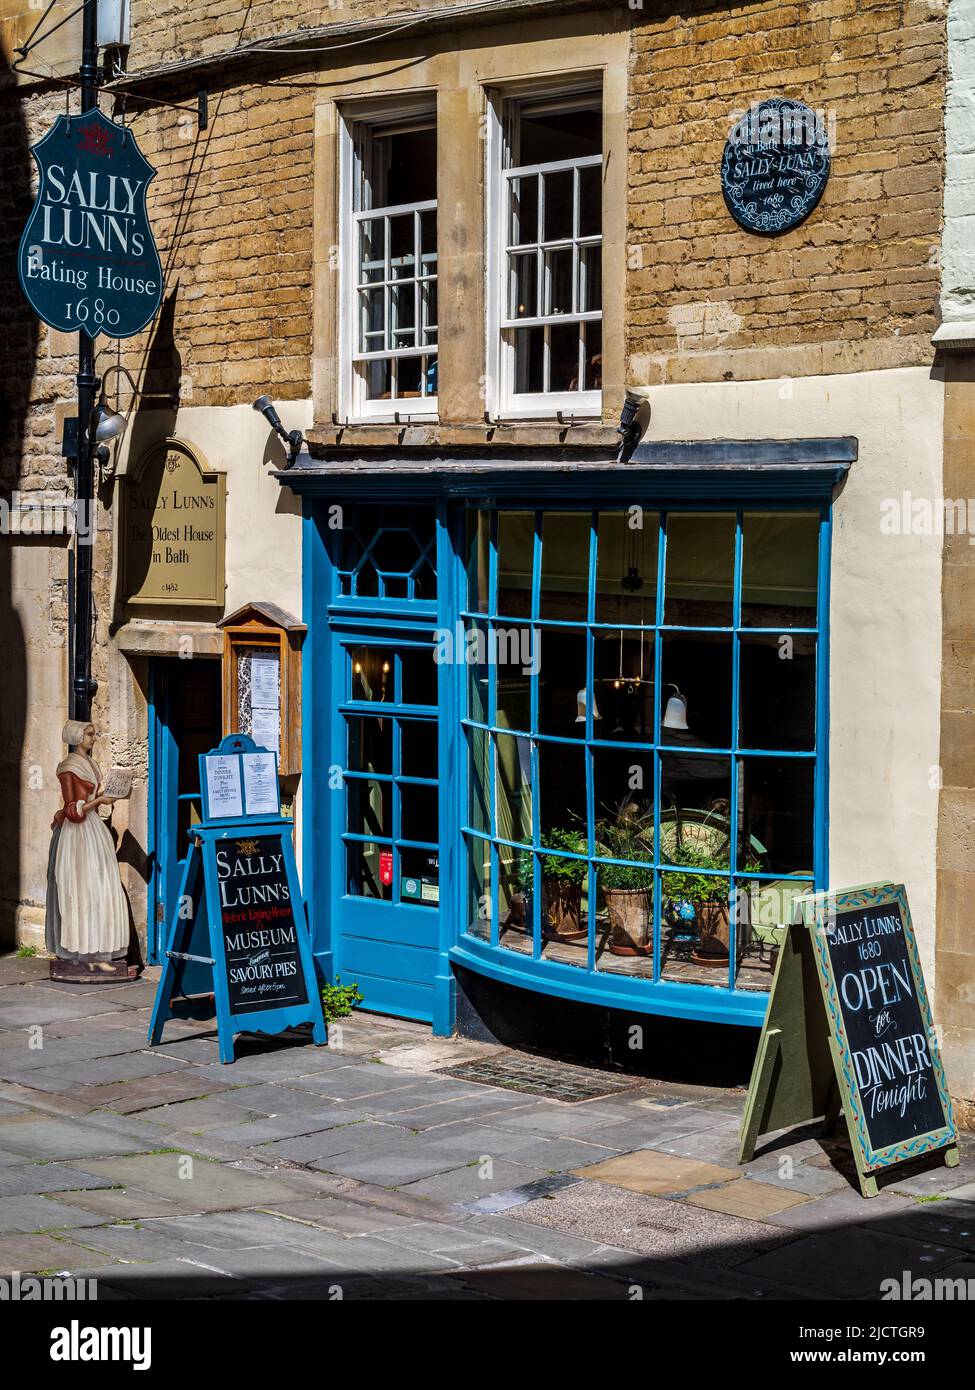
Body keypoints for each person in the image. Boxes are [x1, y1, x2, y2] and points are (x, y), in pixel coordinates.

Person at [45, 720, 129, 972]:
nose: (94, 738)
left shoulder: (90, 763)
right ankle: (81, 952)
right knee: (81, 889)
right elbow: (73, 810)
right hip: (78, 834)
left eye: (93, 734)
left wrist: (111, 791)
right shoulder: (68, 767)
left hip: (93, 830)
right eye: (90, 735)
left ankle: (97, 953)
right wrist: (101, 800)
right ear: (77, 737)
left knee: (100, 887)